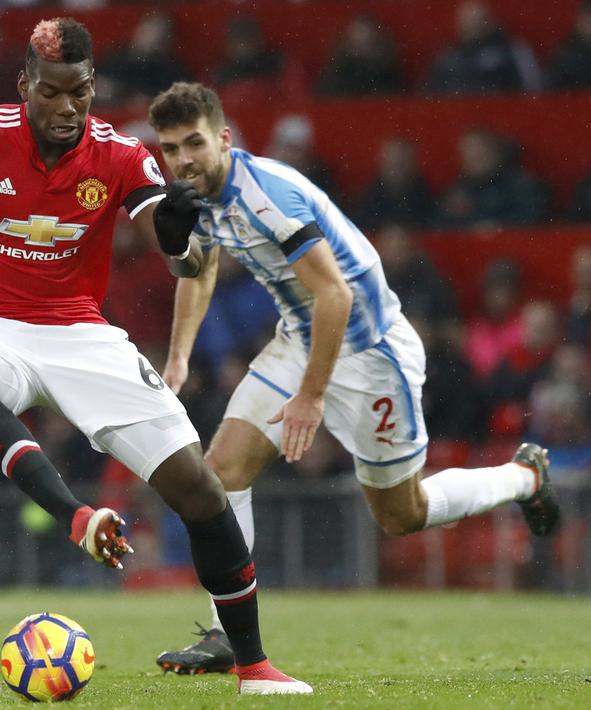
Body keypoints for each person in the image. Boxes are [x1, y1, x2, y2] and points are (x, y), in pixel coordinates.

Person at [0, 18, 309, 696]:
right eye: (51, 93)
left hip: (82, 334)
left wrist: (176, 232)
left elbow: (176, 249)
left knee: (198, 488)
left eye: (79, 93)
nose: (66, 109)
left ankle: (254, 665)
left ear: (92, 88)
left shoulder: (118, 154)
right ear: (26, 85)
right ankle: (74, 515)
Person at [146, 82, 561, 674]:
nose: (182, 160)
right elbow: (199, 269)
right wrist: (180, 356)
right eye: (170, 149)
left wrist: (310, 399)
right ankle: (225, 634)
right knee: (222, 470)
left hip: (368, 354)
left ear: (224, 139)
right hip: (300, 338)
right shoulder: (197, 198)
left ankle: (523, 476)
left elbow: (335, 295)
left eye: (194, 144)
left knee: (401, 515)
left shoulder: (267, 195)